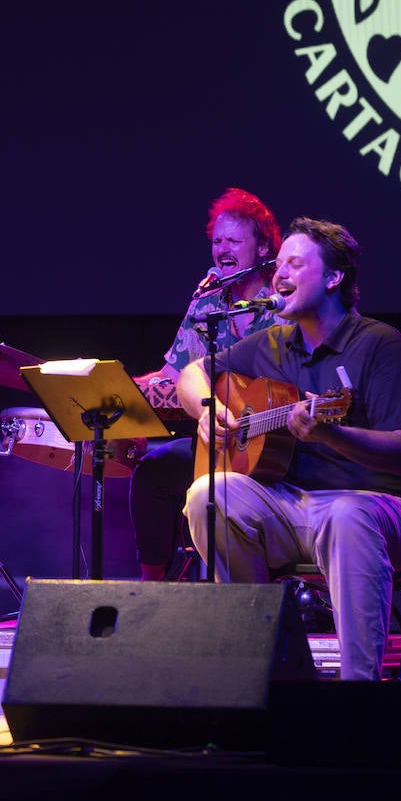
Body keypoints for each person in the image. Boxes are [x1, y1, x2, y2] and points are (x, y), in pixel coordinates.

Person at [176, 217, 401, 680]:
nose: (279, 275)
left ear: (335, 278)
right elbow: (191, 372)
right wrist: (207, 407)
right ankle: (260, 674)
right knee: (210, 494)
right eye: (279, 265)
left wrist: (329, 433)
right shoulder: (274, 343)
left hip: (385, 508)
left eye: (296, 264)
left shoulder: (381, 346)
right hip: (295, 508)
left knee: (346, 515)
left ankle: (359, 694)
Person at [130, 187, 284, 581]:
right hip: (218, 443)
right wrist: (122, 393)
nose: (222, 249)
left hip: (278, 448)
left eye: (234, 239)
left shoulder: (285, 303)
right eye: (217, 241)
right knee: (155, 470)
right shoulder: (206, 303)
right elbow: (173, 377)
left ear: (263, 247)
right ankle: (155, 589)